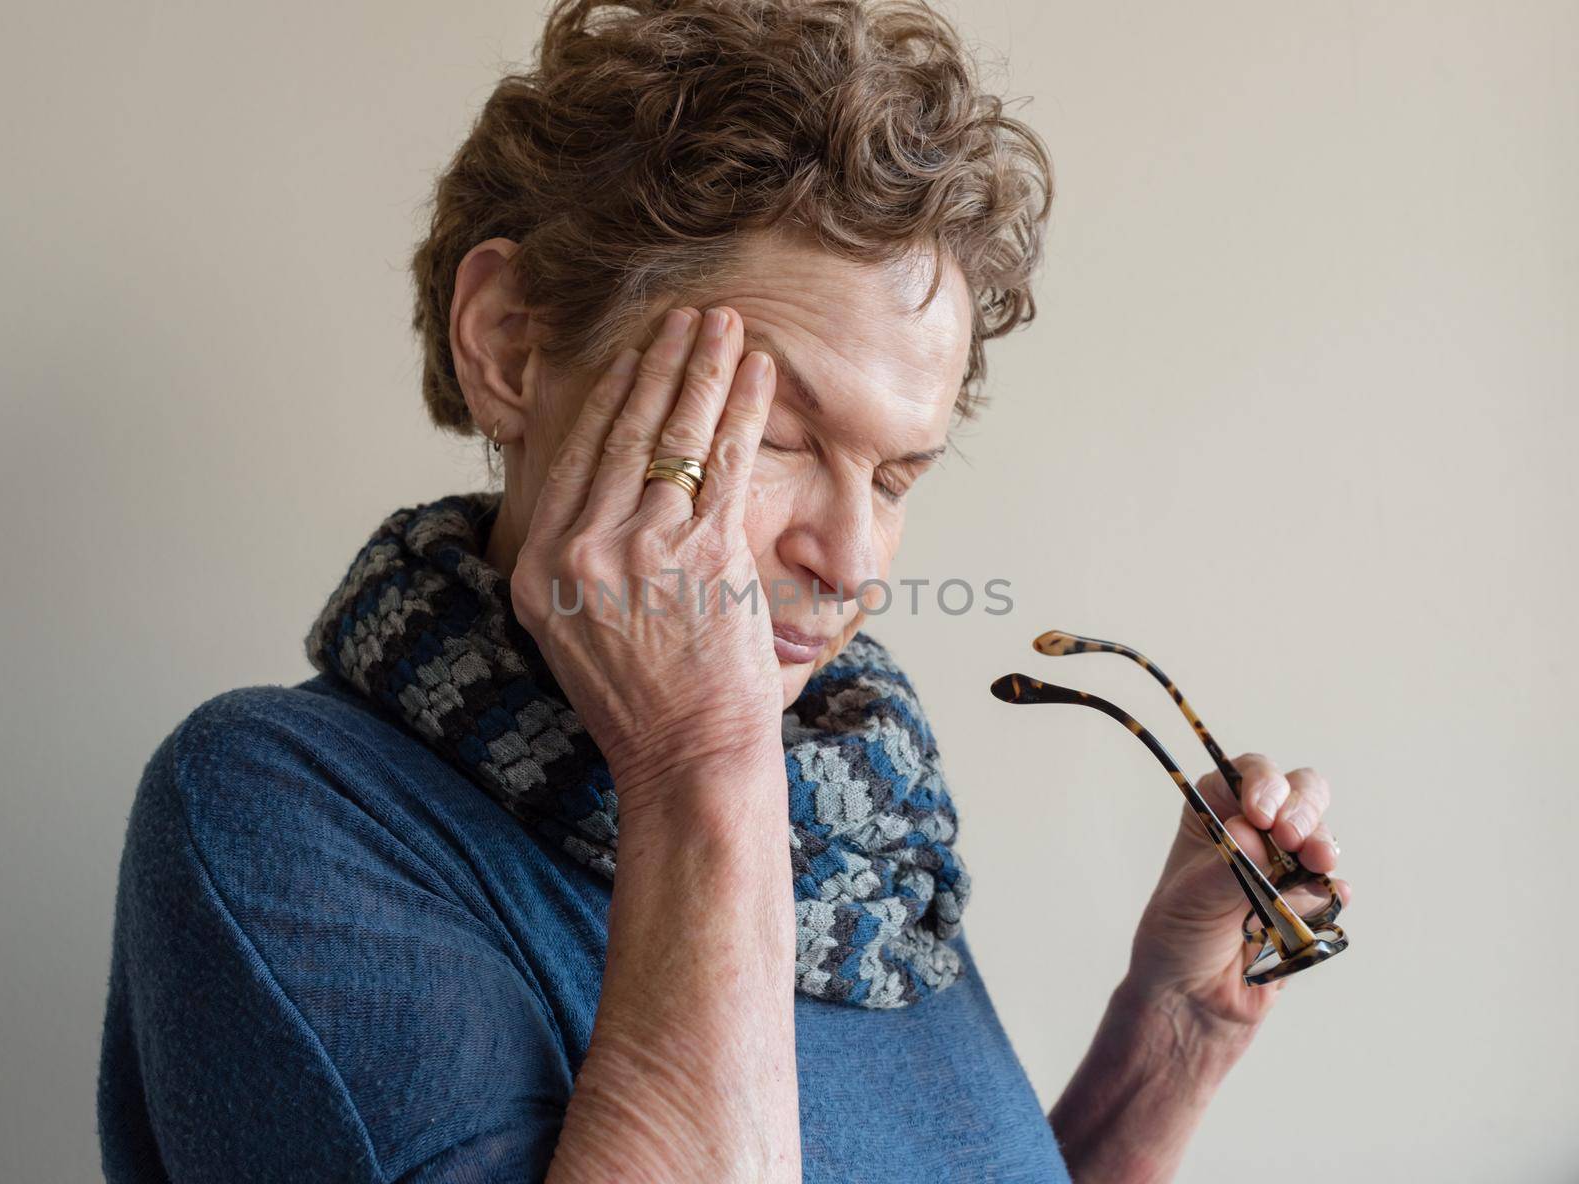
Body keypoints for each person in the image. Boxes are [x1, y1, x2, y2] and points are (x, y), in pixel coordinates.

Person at [96, 1, 1350, 1180]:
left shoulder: (850, 828)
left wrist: (1169, 1039)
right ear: (514, 344)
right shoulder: (281, 807)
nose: (853, 560)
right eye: (780, 436)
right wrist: (701, 759)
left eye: (899, 473)